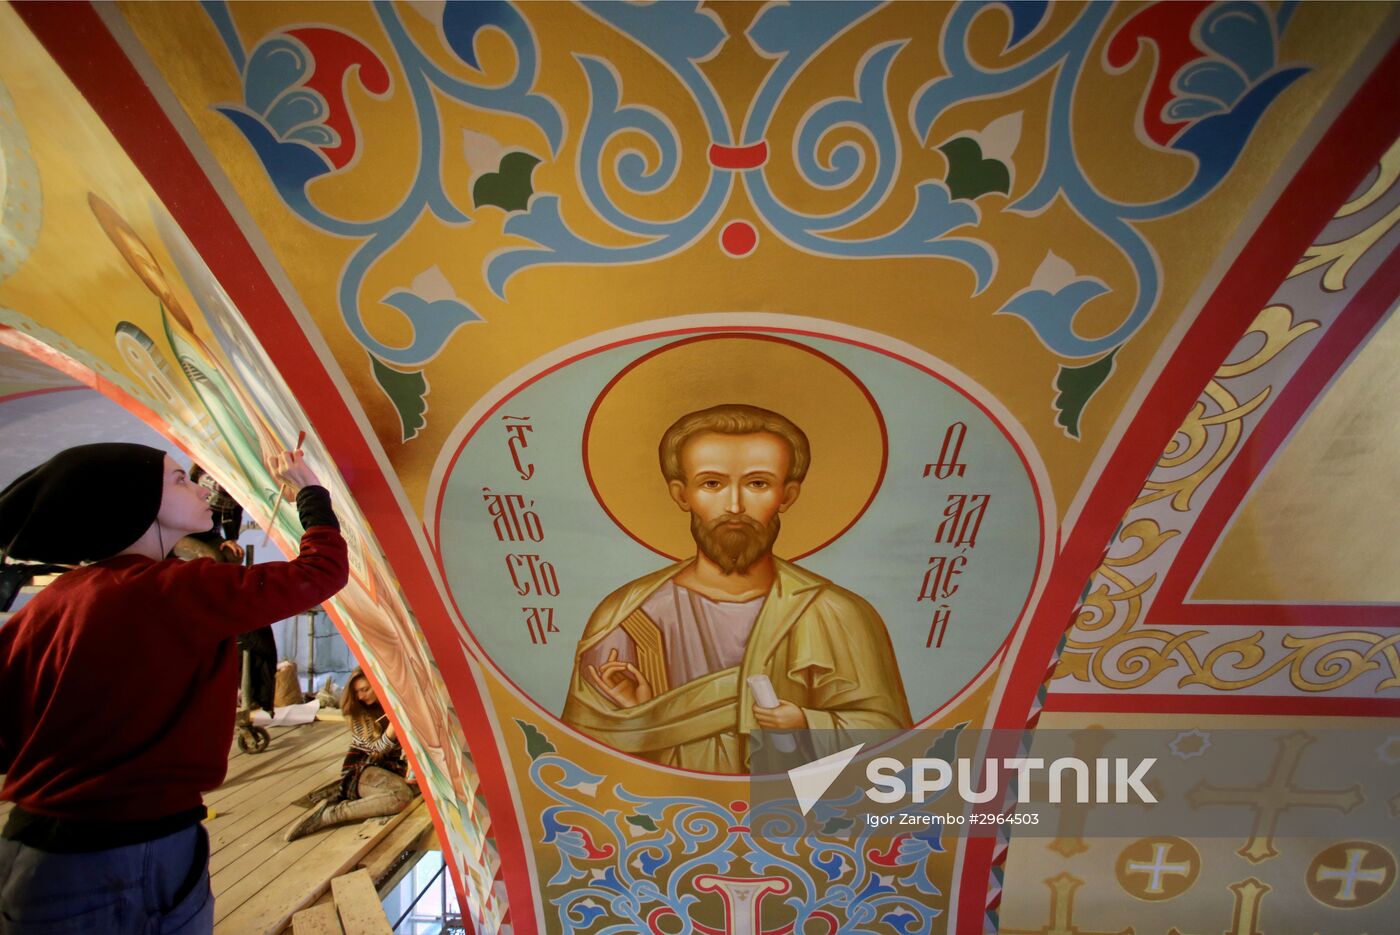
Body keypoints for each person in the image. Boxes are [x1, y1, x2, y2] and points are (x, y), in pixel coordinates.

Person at [0, 442, 347, 933]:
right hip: (127, 857)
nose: (199, 487)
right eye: (179, 479)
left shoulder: (45, 609)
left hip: (32, 853)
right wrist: (310, 491)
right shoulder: (174, 588)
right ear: (136, 502)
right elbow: (320, 572)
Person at [562, 404, 912, 772]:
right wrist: (641, 721)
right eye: (711, 483)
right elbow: (576, 767)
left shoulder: (836, 613)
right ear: (682, 494)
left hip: (792, 820)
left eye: (757, 483)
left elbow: (895, 748)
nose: (734, 505)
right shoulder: (626, 618)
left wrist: (807, 725)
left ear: (787, 495)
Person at [284, 668, 415, 841]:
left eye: (365, 689)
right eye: (357, 692)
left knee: (409, 792)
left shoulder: (395, 705)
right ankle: (330, 814)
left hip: (394, 769)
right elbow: (376, 752)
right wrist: (392, 729)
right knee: (401, 797)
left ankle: (338, 808)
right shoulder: (359, 715)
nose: (361, 697)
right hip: (363, 770)